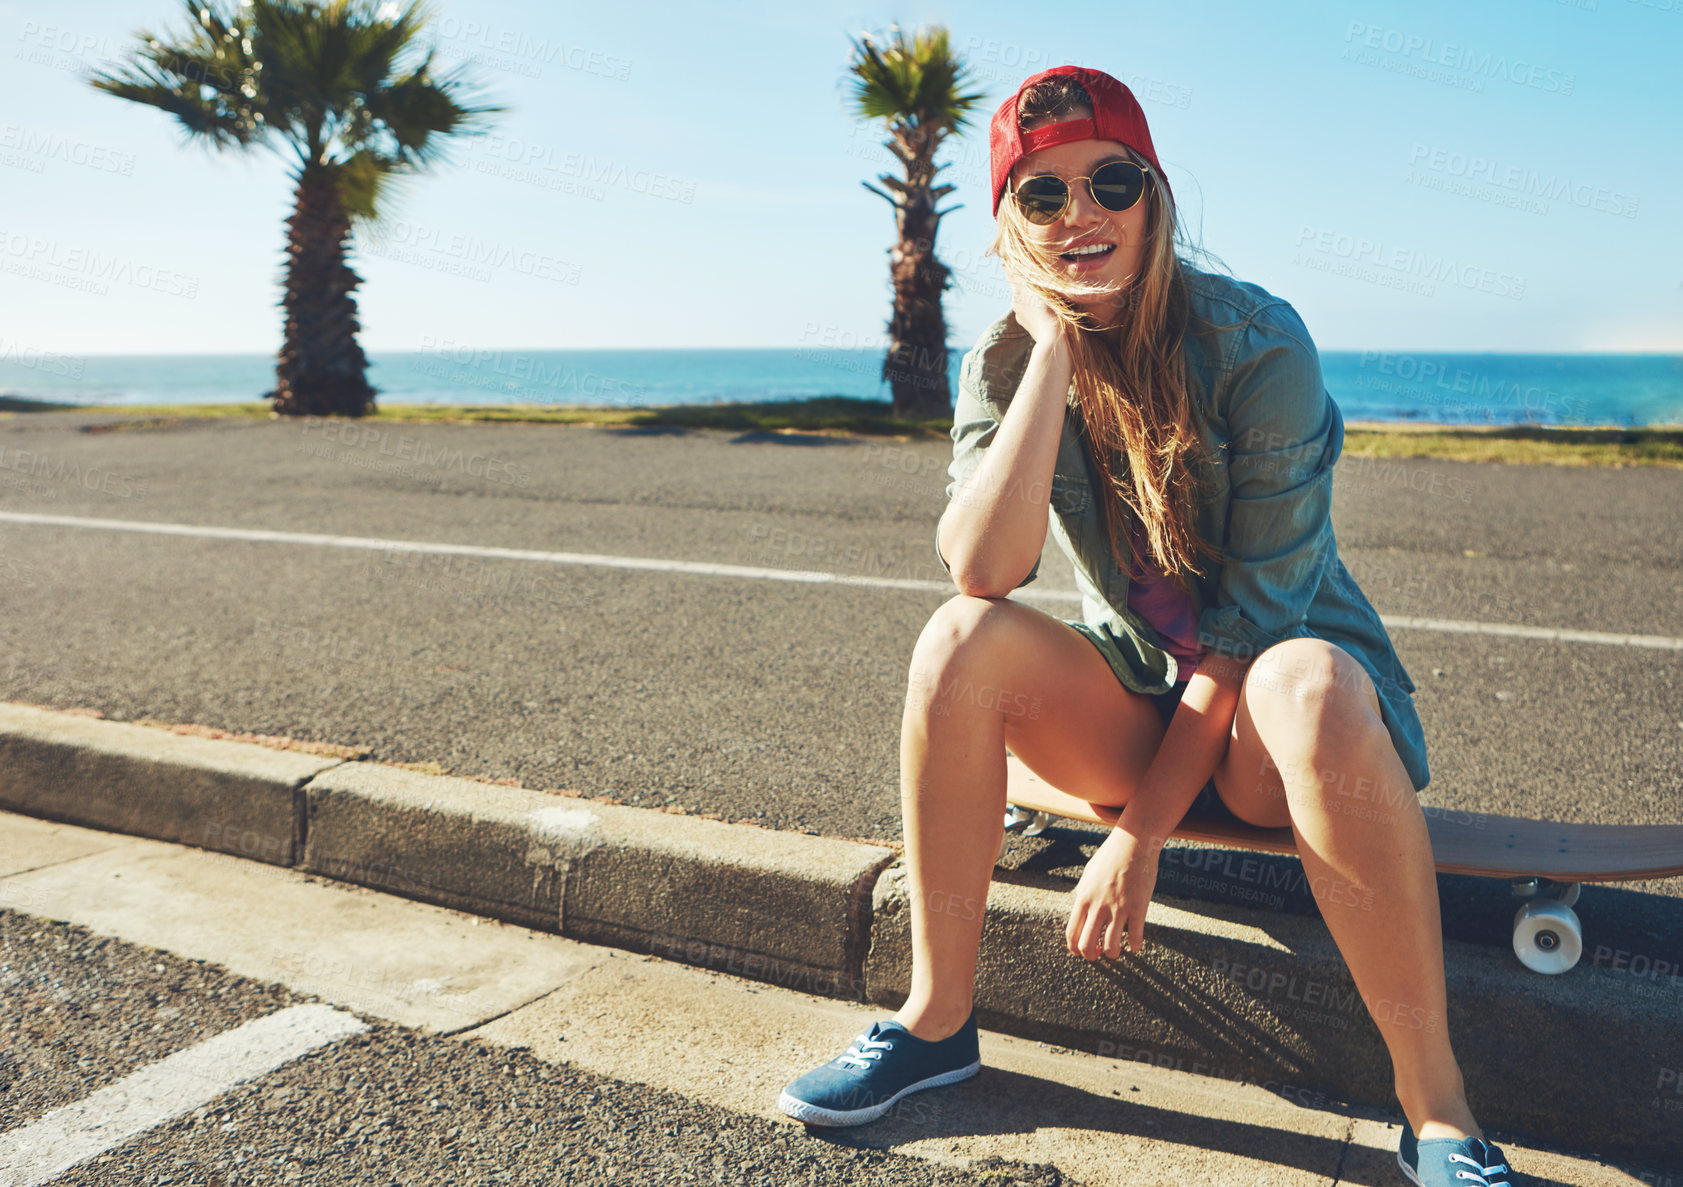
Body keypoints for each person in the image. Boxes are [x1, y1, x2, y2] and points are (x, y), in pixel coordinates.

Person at [778, 65, 1521, 1187]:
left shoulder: (1261, 345)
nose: (1081, 213)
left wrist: (1138, 839)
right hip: (1140, 707)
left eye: (1110, 182)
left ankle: (1442, 1114)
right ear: (1011, 224)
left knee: (1304, 677)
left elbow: (1247, 630)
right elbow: (985, 566)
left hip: (1289, 735)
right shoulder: (1000, 361)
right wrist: (1050, 359)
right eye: (1042, 195)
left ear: (1154, 196)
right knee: (956, 641)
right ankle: (936, 1023)